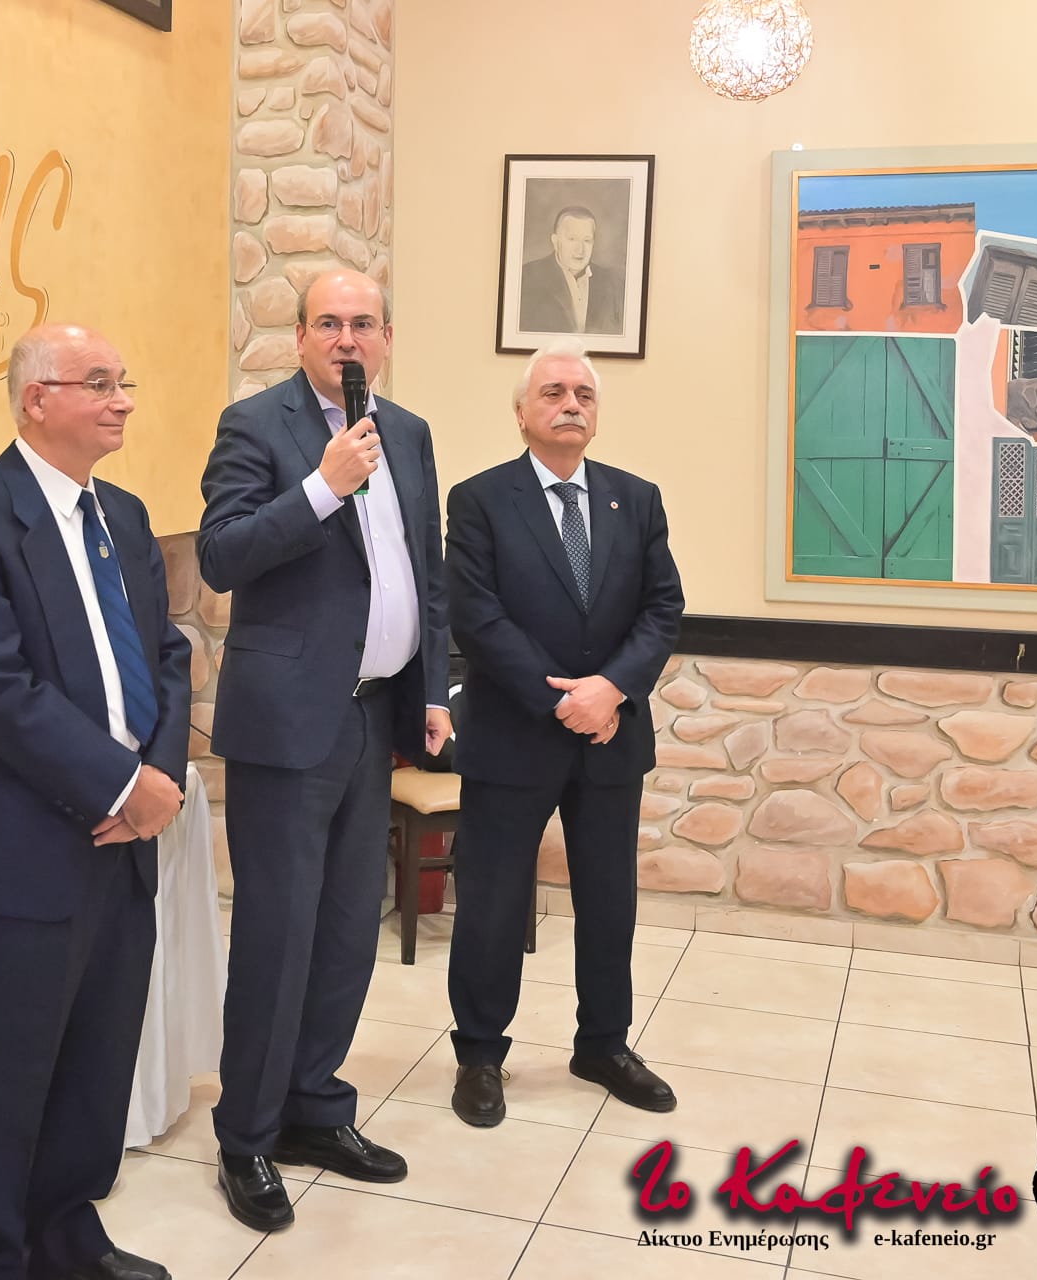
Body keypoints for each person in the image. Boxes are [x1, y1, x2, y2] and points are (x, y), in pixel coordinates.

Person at [0, 324, 192, 1280]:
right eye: (99, 383)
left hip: (127, 839)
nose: (123, 400)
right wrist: (120, 784)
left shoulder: (124, 514)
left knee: (95, 1060)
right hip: (26, 846)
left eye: (124, 381)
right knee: (8, 1075)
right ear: (36, 399)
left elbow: (166, 655)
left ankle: (67, 1234)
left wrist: (159, 784)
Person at [199, 269, 451, 1230]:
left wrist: (431, 690)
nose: (347, 339)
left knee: (349, 927)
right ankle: (246, 1136)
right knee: (278, 932)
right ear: (300, 336)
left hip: (374, 714)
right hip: (286, 723)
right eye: (328, 323)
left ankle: (313, 1108)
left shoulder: (410, 433)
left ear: (386, 336)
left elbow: (424, 572)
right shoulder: (254, 426)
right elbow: (222, 555)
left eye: (363, 324)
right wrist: (320, 487)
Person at [443, 340, 684, 1128]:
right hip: (513, 736)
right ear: (521, 413)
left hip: (611, 735)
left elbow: (662, 608)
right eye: (552, 392)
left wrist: (609, 689)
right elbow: (476, 617)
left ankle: (603, 1045)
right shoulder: (479, 500)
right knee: (491, 903)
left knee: (609, 900)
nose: (570, 404)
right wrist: (562, 703)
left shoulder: (635, 499)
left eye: (582, 393)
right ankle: (480, 1055)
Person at [519, 205, 626, 335]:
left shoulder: (612, 283)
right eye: (572, 239)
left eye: (587, 240)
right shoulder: (527, 278)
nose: (580, 250)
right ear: (555, 241)